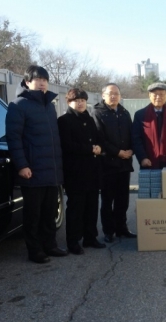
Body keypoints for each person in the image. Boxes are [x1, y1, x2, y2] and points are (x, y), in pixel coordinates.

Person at [6, 65, 67, 264]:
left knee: (50, 212)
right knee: (33, 214)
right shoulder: (18, 105)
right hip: (32, 171)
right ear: (27, 82)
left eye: (44, 79)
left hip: (51, 170)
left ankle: (50, 245)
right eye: (37, 79)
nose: (42, 83)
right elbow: (14, 139)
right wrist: (22, 165)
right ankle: (35, 250)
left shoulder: (49, 106)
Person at [57, 88, 106, 255]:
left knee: (92, 206)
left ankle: (90, 237)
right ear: (69, 102)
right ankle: (73, 241)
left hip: (92, 171)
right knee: (76, 209)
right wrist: (90, 149)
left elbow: (97, 139)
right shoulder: (64, 121)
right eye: (76, 100)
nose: (80, 103)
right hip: (75, 172)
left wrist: (99, 147)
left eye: (83, 100)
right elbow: (67, 145)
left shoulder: (90, 119)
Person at [93, 83, 137, 244]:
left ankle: (122, 228)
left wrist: (131, 150)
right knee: (107, 200)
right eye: (110, 93)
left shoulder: (124, 113)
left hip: (124, 164)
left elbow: (132, 133)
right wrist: (118, 152)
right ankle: (108, 231)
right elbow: (100, 138)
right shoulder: (98, 113)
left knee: (123, 199)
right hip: (108, 164)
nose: (113, 96)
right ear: (103, 95)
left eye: (116, 94)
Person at [132, 82, 166, 169]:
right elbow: (136, 139)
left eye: (161, 94)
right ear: (149, 95)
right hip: (148, 162)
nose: (158, 97)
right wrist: (142, 157)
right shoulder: (140, 115)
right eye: (155, 94)